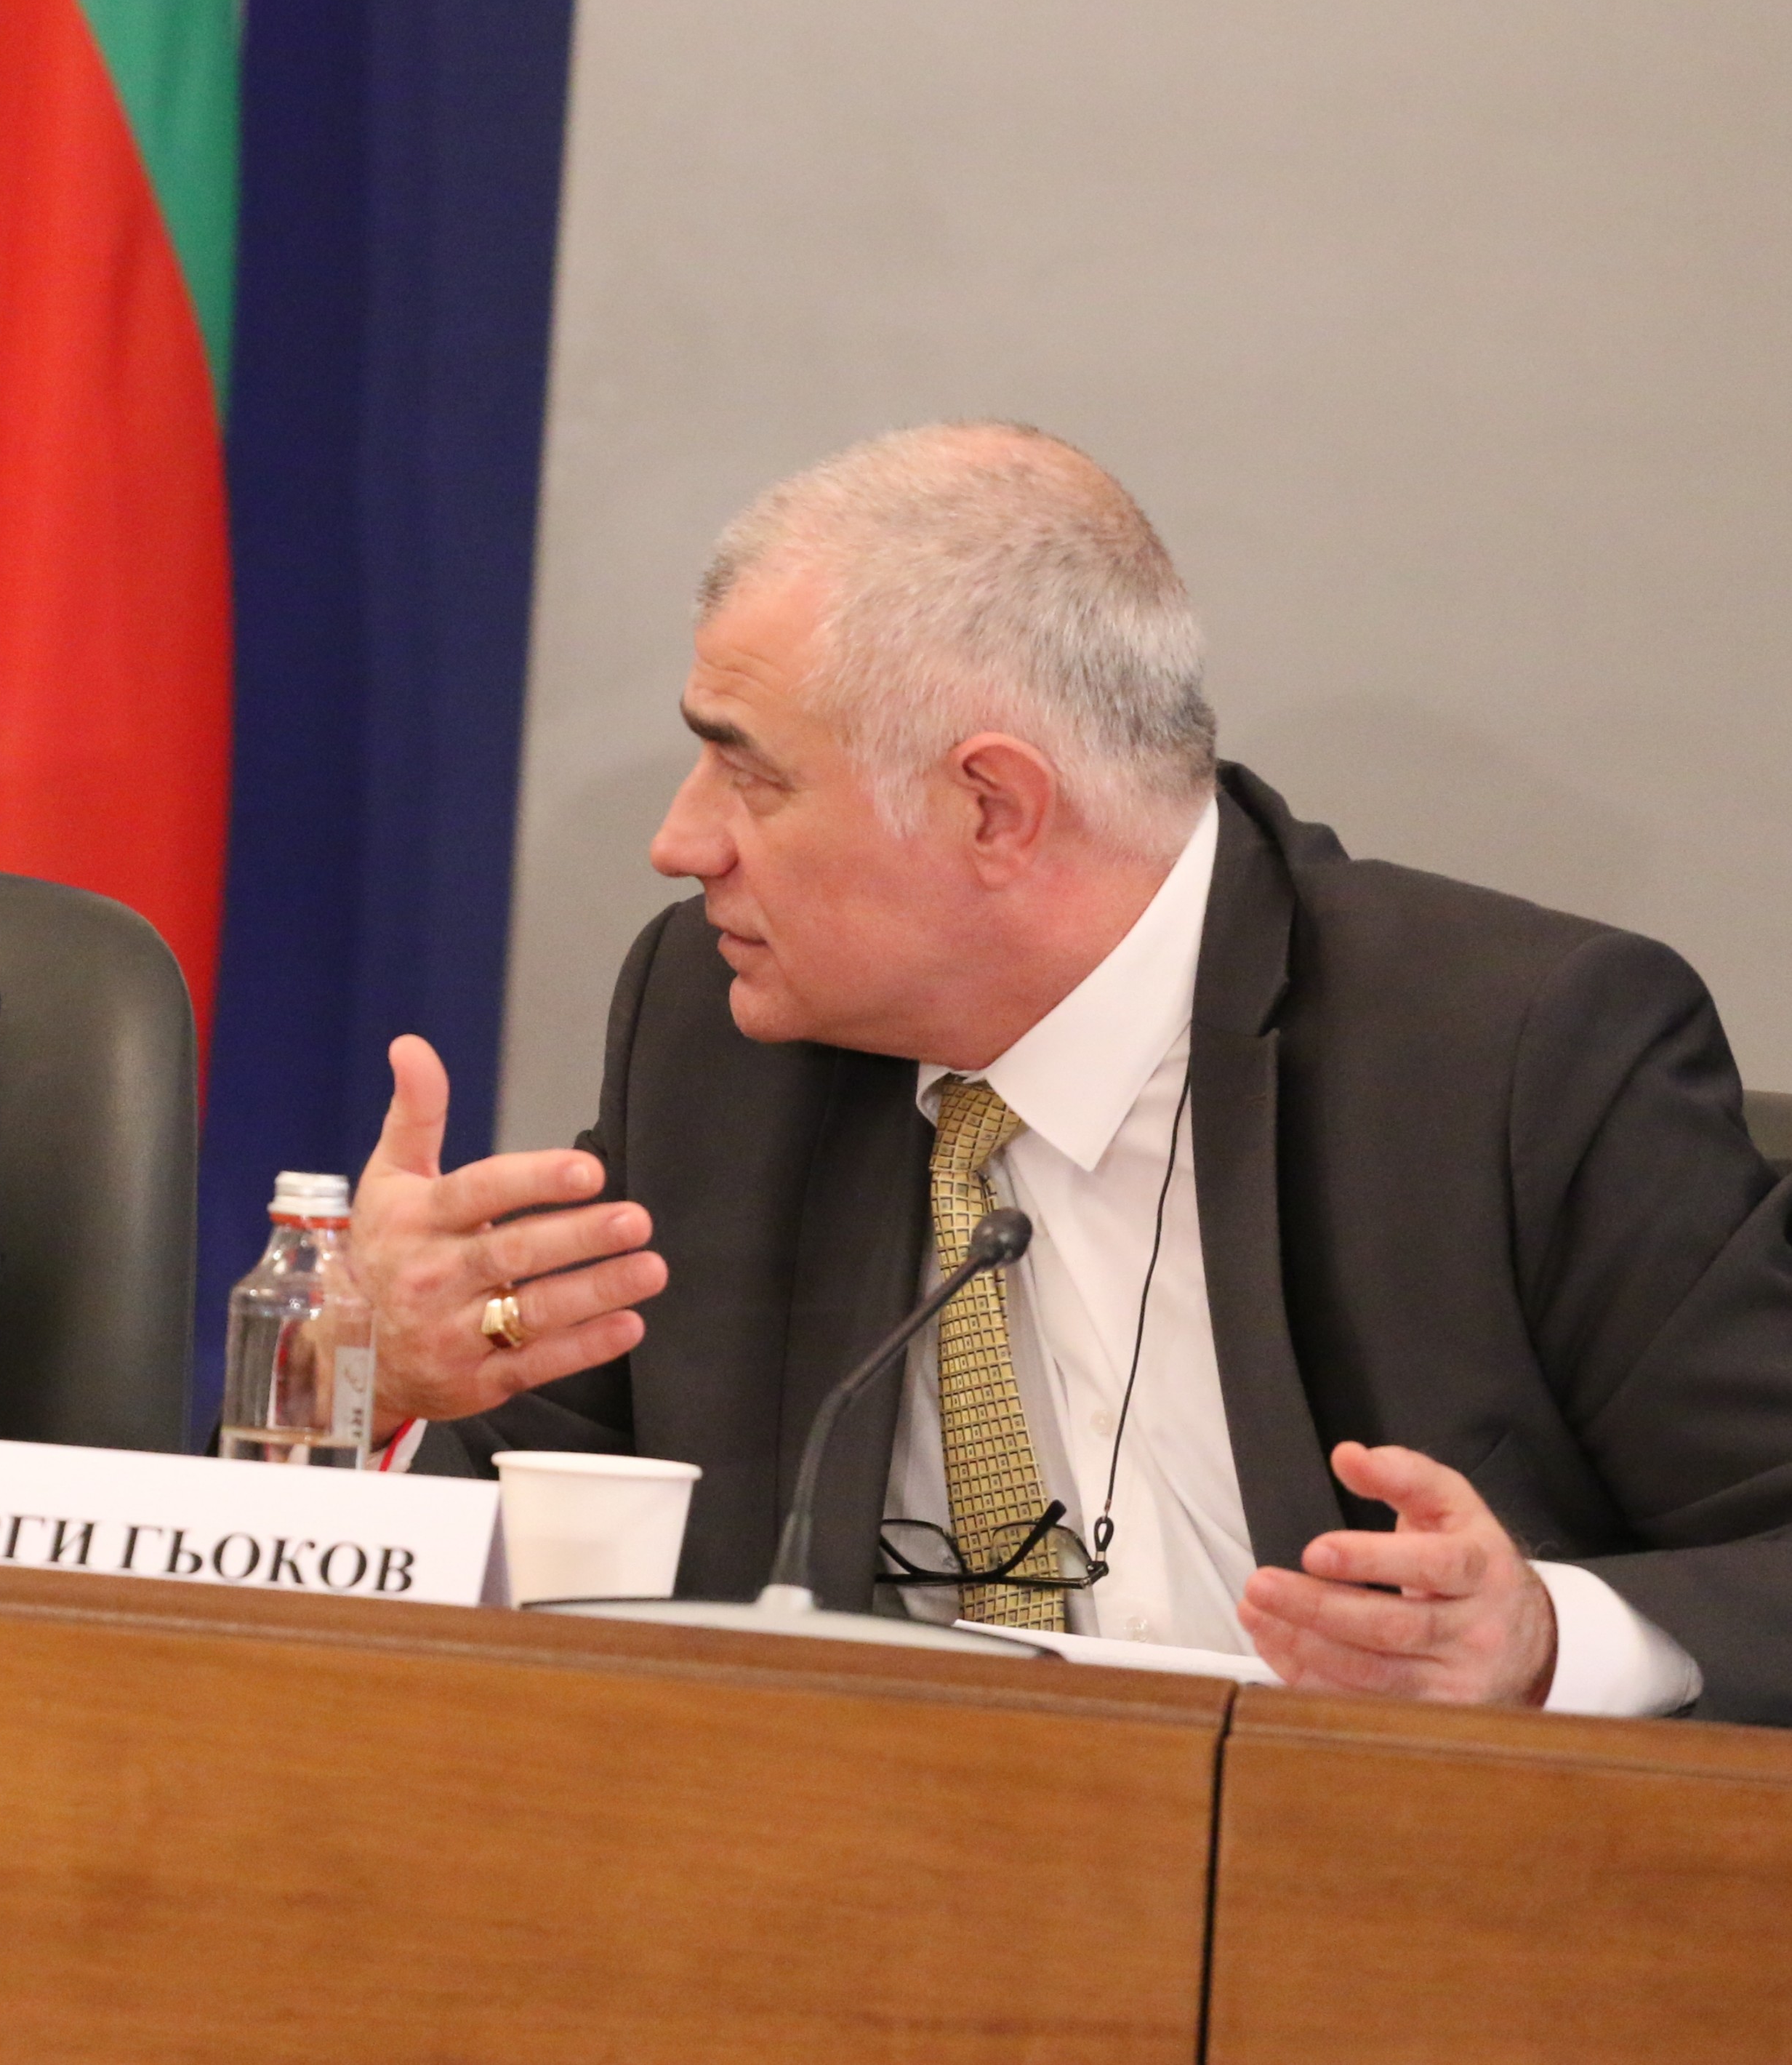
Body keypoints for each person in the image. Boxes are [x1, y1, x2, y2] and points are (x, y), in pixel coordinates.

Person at [353, 422, 1792, 1723]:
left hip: (1369, 1885)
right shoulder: (719, 1031)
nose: (681, 843)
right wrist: (384, 1378)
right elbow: (542, 1536)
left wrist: (1544, 1643)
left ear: (994, 806)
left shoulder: (1508, 1057)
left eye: (752, 774)